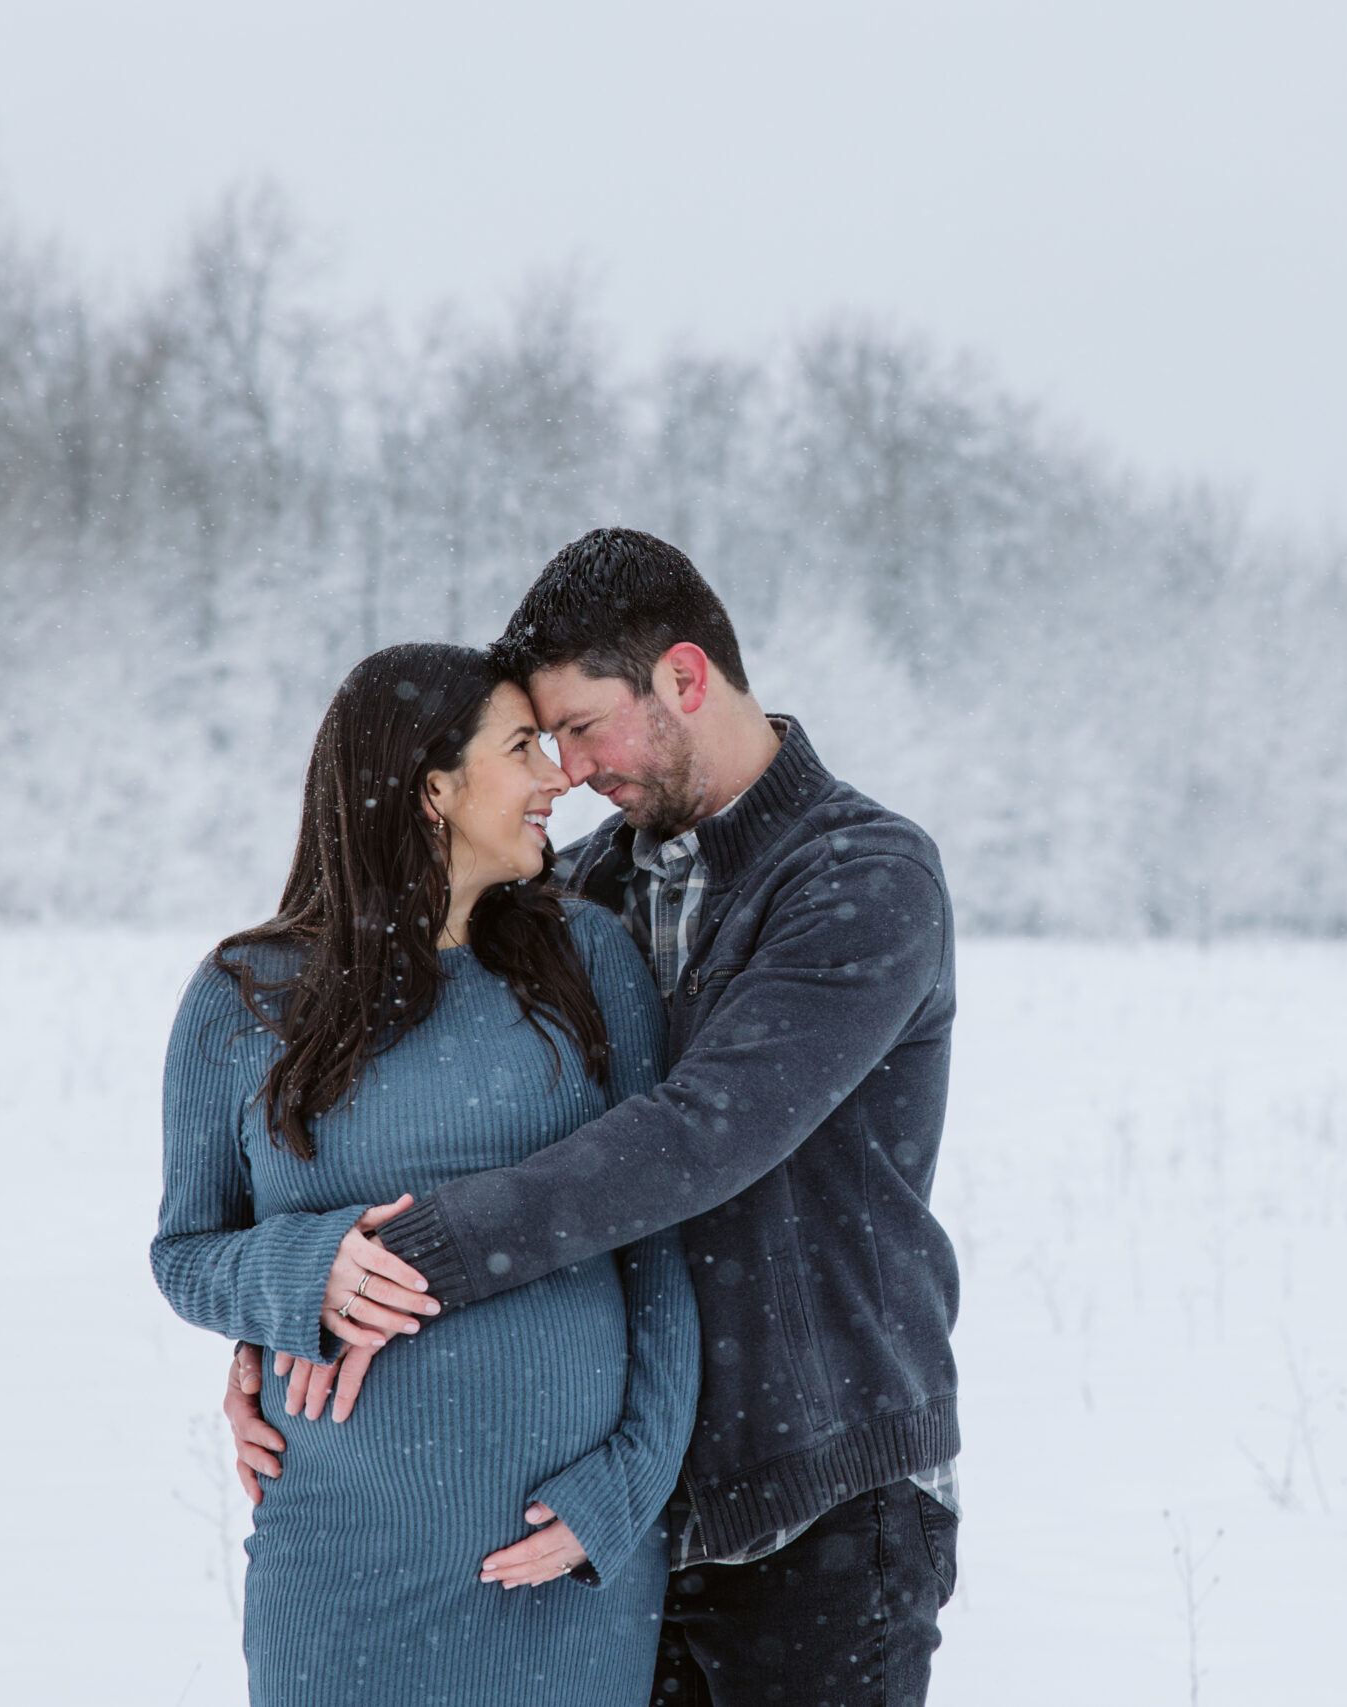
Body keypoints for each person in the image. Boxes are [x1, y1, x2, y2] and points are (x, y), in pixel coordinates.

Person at [226, 529, 963, 1704]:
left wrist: (403, 1268)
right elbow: (433, 1130)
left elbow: (700, 1135)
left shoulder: (860, 879)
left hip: (819, 1494)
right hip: (616, 1511)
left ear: (683, 677)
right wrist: (294, 1306)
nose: (562, 768)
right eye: (542, 739)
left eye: (578, 726)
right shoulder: (578, 898)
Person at [153, 642, 699, 1706]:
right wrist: (301, 1271)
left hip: (565, 1556)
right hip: (343, 1567)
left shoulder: (590, 962)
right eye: (521, 749)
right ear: (431, 788)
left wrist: (627, 1484)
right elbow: (185, 1253)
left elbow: (663, 1243)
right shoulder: (244, 996)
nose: (557, 777)